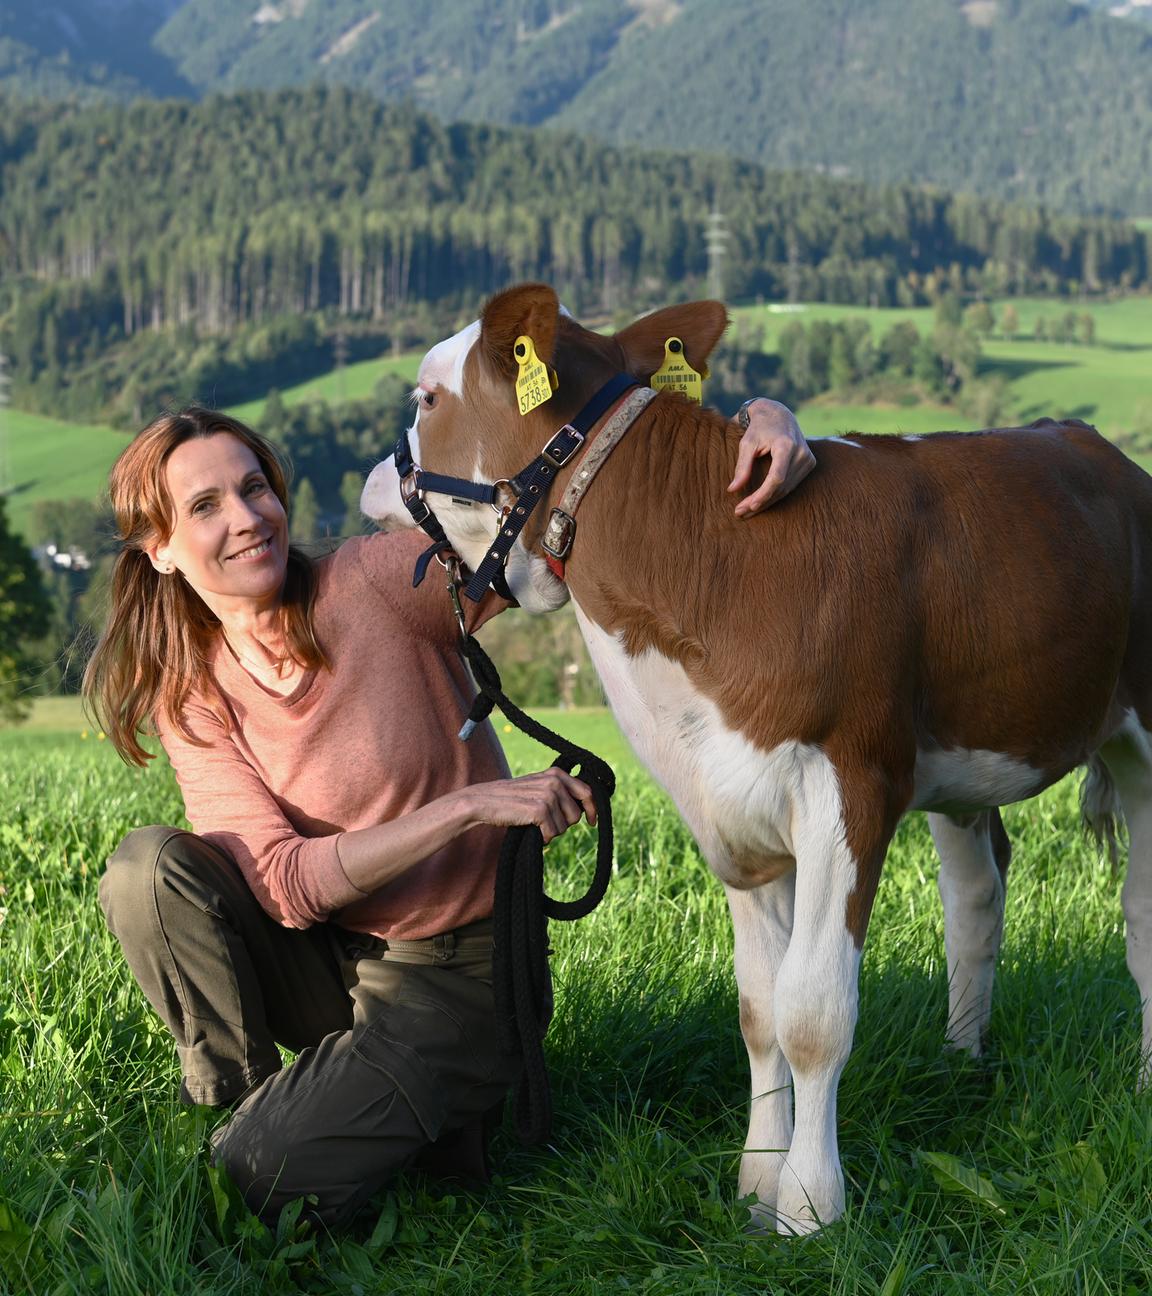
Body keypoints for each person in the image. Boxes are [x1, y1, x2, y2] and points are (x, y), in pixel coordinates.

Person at [85, 397, 813, 1229]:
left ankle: (397, 1116)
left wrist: (756, 423)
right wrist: (468, 807)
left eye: (256, 489)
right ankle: (246, 1107)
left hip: (457, 974)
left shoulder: (371, 585)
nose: (248, 518)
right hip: (330, 959)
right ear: (162, 550)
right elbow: (284, 890)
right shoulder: (193, 695)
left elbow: (553, 529)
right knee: (148, 873)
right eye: (205, 507)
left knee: (254, 1180)